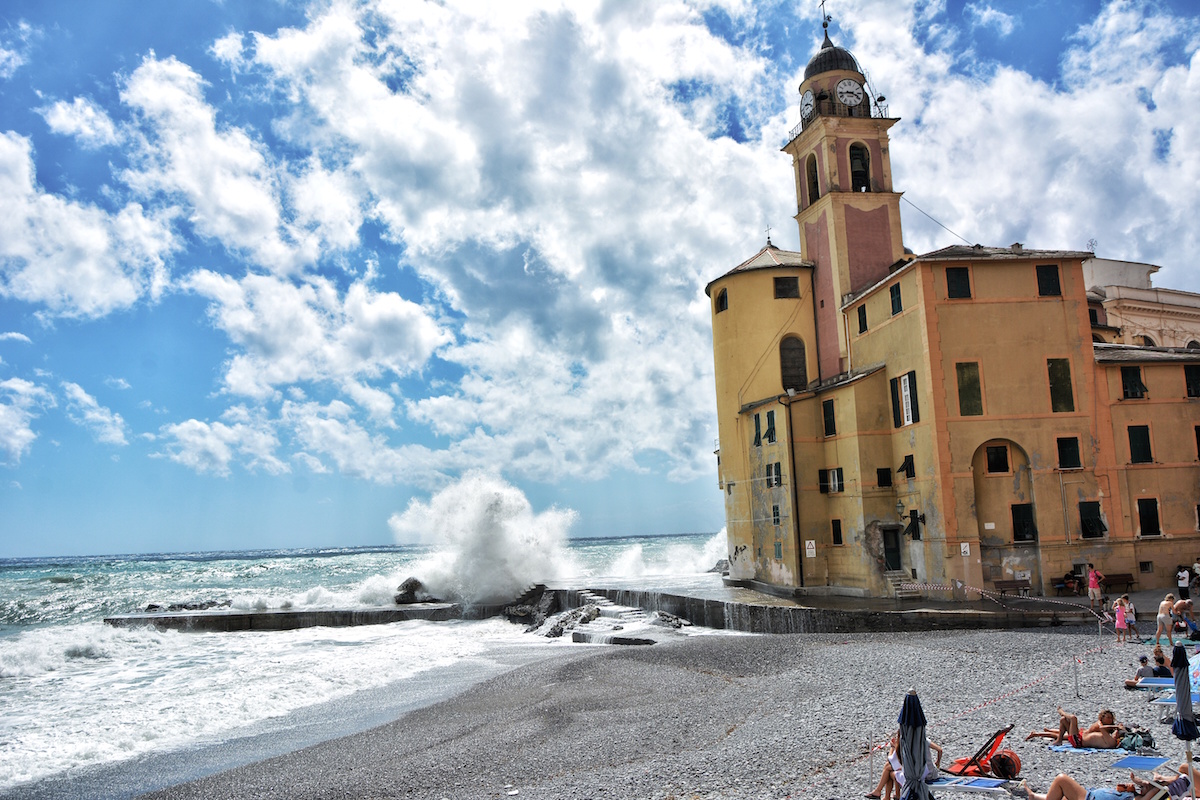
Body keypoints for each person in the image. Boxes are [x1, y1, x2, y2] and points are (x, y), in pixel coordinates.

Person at [1010, 762, 1198, 800]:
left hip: (1090, 798)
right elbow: (1151, 788)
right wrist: (1139, 783)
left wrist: (1152, 783)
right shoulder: (1148, 793)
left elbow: (1152, 790)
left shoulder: (1147, 797)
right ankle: (1036, 796)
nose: (1145, 784)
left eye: (1149, 784)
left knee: (1061, 779)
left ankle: (1039, 798)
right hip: (1093, 795)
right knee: (1065, 797)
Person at [864, 731, 943, 800]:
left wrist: (893, 747)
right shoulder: (924, 740)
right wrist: (937, 762)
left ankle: (885, 794)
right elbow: (940, 750)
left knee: (890, 770)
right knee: (889, 768)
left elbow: (892, 759)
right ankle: (886, 795)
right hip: (930, 771)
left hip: (918, 774)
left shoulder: (906, 744)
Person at [1025, 707, 1124, 749]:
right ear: (1102, 718)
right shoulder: (1100, 724)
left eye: (1111, 718)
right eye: (1108, 717)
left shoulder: (1109, 735)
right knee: (1065, 721)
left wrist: (1117, 728)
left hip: (1079, 739)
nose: (1110, 719)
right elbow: (1102, 728)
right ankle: (1041, 734)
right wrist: (1117, 728)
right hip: (1080, 736)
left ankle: (1040, 734)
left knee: (1071, 719)